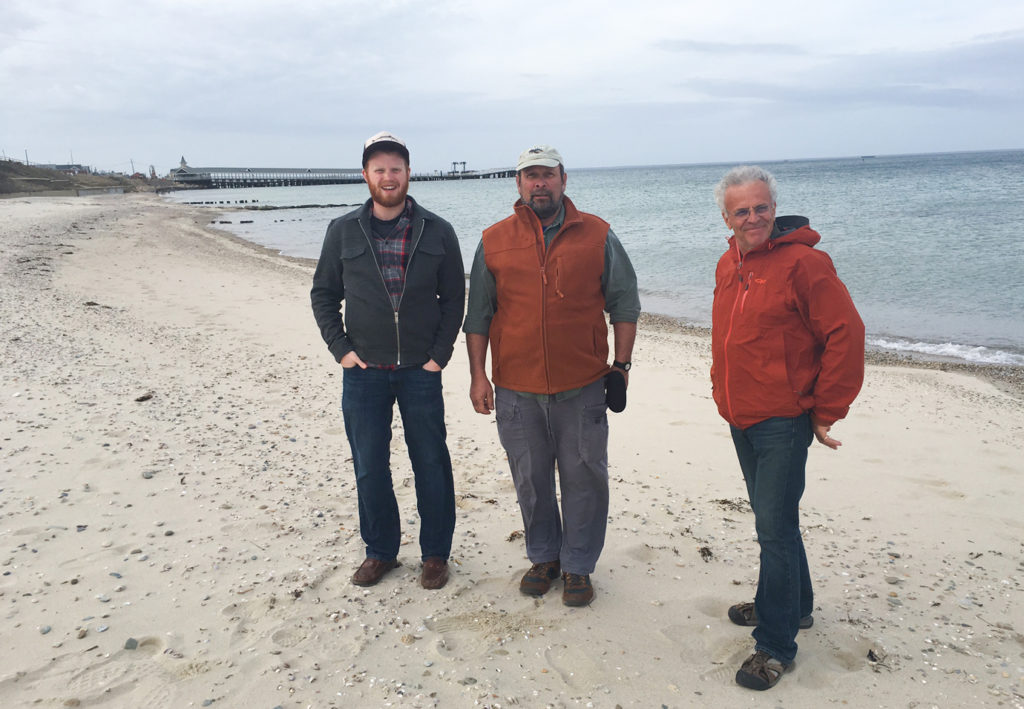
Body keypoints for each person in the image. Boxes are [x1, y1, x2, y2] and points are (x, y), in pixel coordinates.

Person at [463, 145, 640, 607]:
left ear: (564, 179)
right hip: (515, 388)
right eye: (530, 176)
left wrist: (620, 366)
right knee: (530, 477)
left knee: (585, 475)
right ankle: (544, 557)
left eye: (547, 174)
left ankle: (578, 565)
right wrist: (478, 377)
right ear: (518, 185)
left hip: (581, 385)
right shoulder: (494, 240)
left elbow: (624, 302)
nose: (539, 183)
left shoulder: (598, 234)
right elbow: (478, 315)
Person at [710, 165, 865, 690]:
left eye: (761, 208)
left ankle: (775, 646)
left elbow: (846, 334)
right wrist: (720, 390)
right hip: (741, 414)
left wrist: (826, 409)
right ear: (726, 217)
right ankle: (795, 606)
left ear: (774, 209)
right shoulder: (727, 263)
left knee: (773, 529)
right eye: (741, 211)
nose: (752, 218)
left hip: (782, 419)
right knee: (775, 520)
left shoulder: (806, 264)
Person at [310, 131, 464, 590]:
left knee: (431, 462)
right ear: (365, 176)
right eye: (379, 169)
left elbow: (455, 298)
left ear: (408, 173)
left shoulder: (437, 230)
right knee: (369, 464)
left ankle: (435, 554)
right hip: (364, 373)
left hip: (421, 369)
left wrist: (439, 355)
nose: (388, 177)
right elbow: (323, 295)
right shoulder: (342, 231)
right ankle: (381, 551)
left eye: (396, 168)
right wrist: (342, 349)